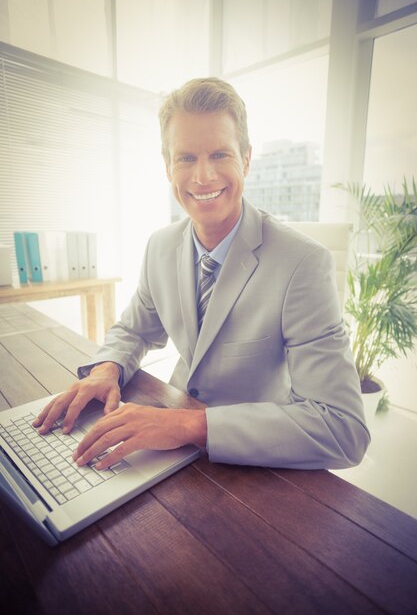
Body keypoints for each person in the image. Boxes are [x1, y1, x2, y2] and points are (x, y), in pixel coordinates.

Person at [33, 77, 370, 470]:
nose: (203, 177)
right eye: (187, 158)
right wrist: (106, 369)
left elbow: (344, 429)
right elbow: (135, 330)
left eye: (220, 155)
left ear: (246, 158)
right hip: (169, 441)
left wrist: (191, 424)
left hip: (257, 459)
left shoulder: (303, 264)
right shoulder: (160, 246)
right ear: (168, 167)